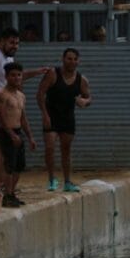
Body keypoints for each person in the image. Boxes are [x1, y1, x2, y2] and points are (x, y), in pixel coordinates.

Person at [37, 47, 91, 192]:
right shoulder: (53, 74)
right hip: (51, 116)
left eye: (75, 59)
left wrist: (84, 102)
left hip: (67, 117)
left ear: (78, 61)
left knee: (66, 150)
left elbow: (88, 98)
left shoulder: (81, 79)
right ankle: (51, 179)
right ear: (63, 59)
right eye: (69, 58)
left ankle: (67, 182)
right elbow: (40, 94)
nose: (72, 62)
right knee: (50, 147)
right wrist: (44, 114)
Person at [0, 62, 36, 207]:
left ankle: (11, 193)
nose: (16, 78)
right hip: (7, 132)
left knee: (19, 165)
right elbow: (1, 118)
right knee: (9, 165)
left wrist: (30, 137)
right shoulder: (2, 95)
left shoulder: (21, 96)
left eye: (19, 75)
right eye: (13, 75)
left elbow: (23, 118)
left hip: (18, 131)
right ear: (6, 77)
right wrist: (11, 134)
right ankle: (7, 195)